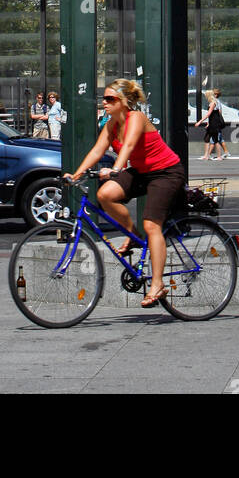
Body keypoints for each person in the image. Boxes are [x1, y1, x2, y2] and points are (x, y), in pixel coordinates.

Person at [64, 78, 186, 308]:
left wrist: (116, 170)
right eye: (104, 99)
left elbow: (129, 146)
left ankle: (158, 284)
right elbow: (97, 150)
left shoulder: (136, 118)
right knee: (105, 195)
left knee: (152, 225)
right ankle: (132, 234)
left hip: (166, 173)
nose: (105, 103)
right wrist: (76, 174)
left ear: (124, 102)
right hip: (142, 171)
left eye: (110, 99)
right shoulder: (111, 125)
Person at [196, 89, 232, 159]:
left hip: (214, 124)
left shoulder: (213, 103)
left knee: (215, 140)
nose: (205, 97)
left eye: (206, 95)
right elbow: (212, 115)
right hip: (212, 123)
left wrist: (200, 121)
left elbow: (209, 114)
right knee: (207, 138)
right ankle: (207, 155)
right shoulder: (212, 102)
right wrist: (208, 123)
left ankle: (218, 156)